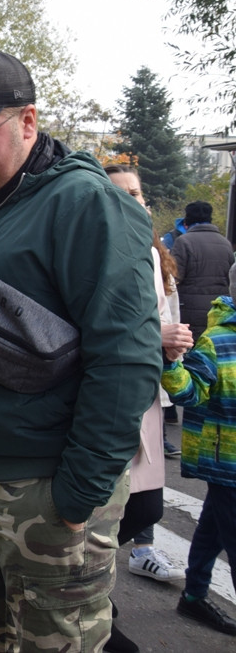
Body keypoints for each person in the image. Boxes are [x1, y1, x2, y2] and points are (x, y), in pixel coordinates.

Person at [0, 49, 161, 652]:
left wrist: (78, 496)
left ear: (28, 121)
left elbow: (127, 359)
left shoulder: (86, 203)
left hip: (42, 489)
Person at [104, 164, 193, 653]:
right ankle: (90, 598)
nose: (133, 201)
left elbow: (165, 319)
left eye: (137, 193)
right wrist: (153, 338)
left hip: (150, 398)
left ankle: (88, 591)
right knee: (120, 509)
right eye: (121, 194)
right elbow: (88, 329)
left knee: (146, 507)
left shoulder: (157, 255)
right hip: (114, 399)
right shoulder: (100, 252)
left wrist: (175, 346)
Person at [160, 262, 236, 637]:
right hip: (229, 464)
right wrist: (170, 361)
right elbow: (190, 392)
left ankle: (193, 597)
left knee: (212, 527)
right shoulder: (217, 341)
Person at [172, 201, 234, 341]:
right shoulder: (226, 244)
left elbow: (174, 277)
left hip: (189, 312)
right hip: (219, 311)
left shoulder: (183, 242)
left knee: (192, 355)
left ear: (187, 220)